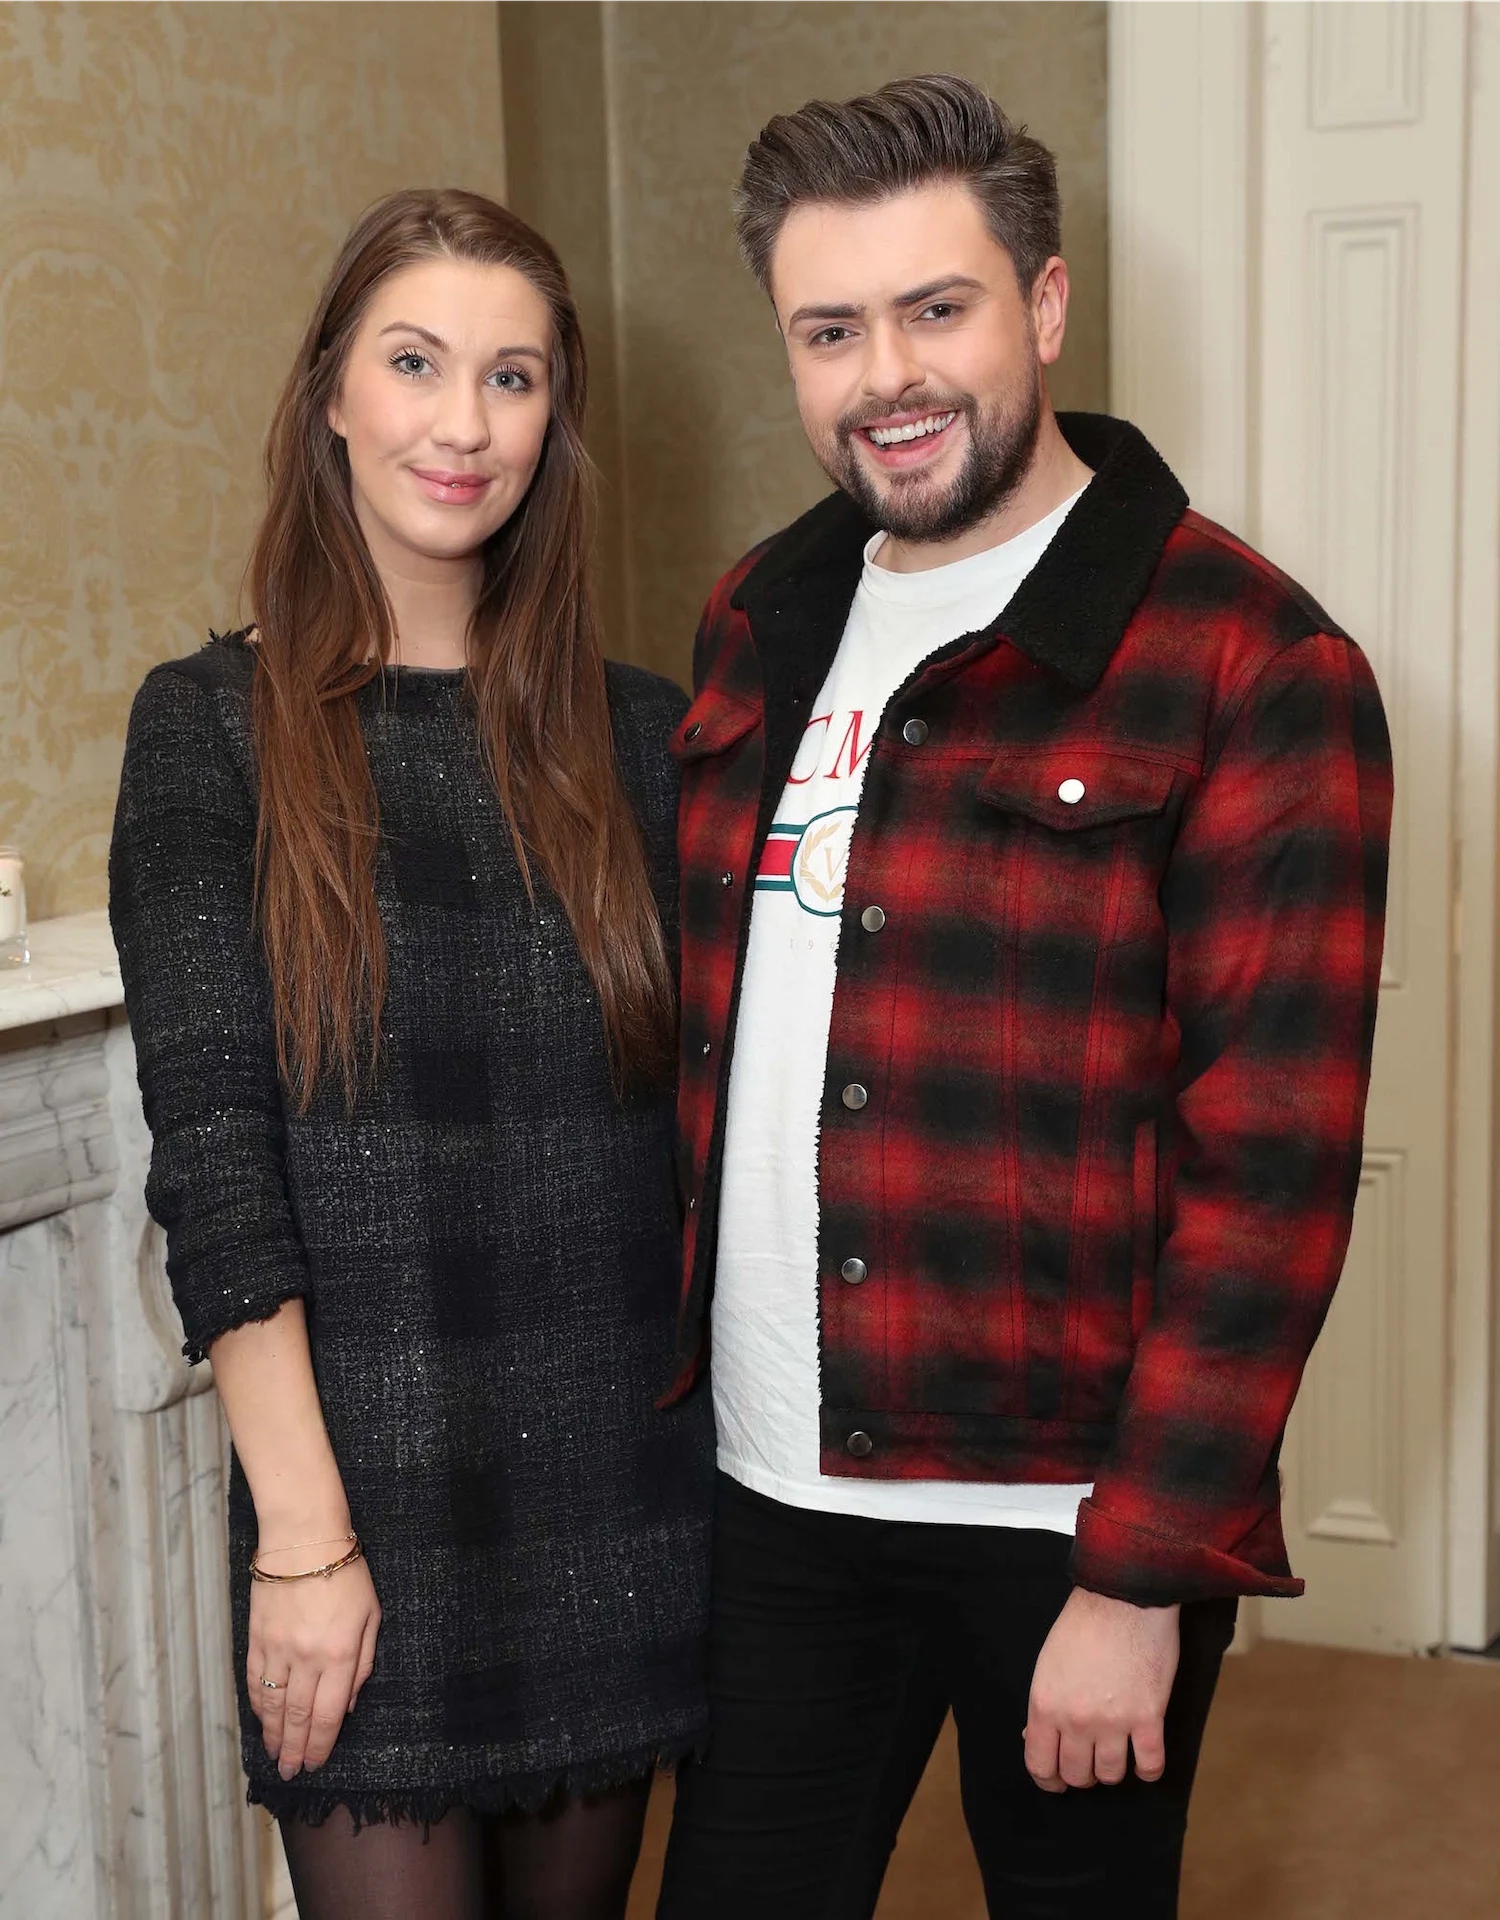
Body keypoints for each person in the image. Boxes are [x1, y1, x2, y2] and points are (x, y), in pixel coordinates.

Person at [655, 75, 1391, 1920]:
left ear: (1045, 306)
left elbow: (1271, 1174)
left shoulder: (1251, 660)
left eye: (938, 308)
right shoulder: (755, 617)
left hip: (1065, 1524)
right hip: (772, 1489)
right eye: (830, 329)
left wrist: (1141, 1577)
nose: (886, 375)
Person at [109, 187, 713, 1920]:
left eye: (513, 377)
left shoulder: (649, 736)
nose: (464, 423)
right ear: (331, 392)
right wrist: (305, 1541)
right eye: (416, 362)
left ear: (555, 421)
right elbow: (216, 1163)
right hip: (362, 1495)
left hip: (613, 1493)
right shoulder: (213, 730)